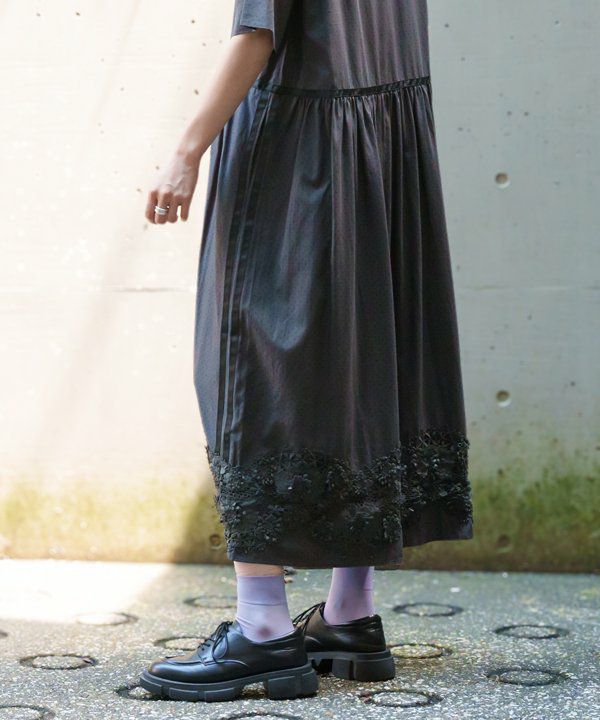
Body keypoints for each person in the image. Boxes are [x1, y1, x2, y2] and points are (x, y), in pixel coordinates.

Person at [139, 0, 474, 703]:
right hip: (384, 151)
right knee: (368, 363)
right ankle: (350, 614)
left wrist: (185, 151)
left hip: (296, 153)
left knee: (253, 369)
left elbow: (258, 35)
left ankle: (262, 628)